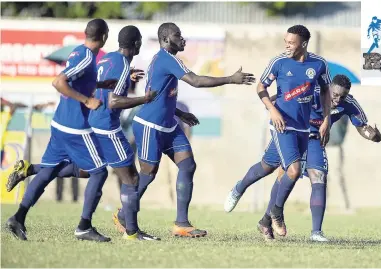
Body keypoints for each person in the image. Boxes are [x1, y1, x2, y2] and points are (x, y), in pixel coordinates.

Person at [112, 22, 255, 238]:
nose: (182, 38)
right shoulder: (166, 59)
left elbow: (160, 94)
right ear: (166, 39)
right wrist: (230, 79)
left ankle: (182, 223)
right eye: (178, 35)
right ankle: (124, 214)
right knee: (147, 174)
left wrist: (179, 113)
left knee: (187, 165)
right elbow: (196, 81)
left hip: (169, 124)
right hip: (150, 126)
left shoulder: (166, 60)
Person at [5, 18, 117, 242]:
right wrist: (87, 101)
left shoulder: (79, 52)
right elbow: (59, 82)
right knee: (99, 171)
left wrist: (102, 85)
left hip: (59, 124)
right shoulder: (86, 57)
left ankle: (18, 217)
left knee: (48, 171)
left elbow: (77, 82)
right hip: (75, 128)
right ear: (104, 36)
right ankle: (84, 226)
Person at [223, 25, 332, 241]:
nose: (287, 45)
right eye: (286, 41)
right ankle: (276, 212)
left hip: (303, 127)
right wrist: (272, 110)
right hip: (282, 124)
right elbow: (261, 87)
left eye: (291, 42)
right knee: (293, 170)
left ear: (303, 43)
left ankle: (241, 187)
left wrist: (327, 119)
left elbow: (327, 91)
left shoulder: (319, 64)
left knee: (267, 165)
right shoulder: (279, 62)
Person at [272, 74, 381, 241]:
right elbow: (285, 97)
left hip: (315, 140)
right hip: (294, 135)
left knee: (319, 179)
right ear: (328, 88)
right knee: (282, 174)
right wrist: (273, 104)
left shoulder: (349, 103)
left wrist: (373, 136)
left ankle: (316, 232)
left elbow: (361, 126)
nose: (337, 100)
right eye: (334, 95)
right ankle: (270, 217)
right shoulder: (313, 90)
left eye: (342, 96)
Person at [88, 25, 159, 240]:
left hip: (93, 121)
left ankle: (33, 170)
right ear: (136, 44)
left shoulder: (108, 58)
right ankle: (132, 231)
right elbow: (114, 100)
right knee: (132, 178)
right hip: (107, 126)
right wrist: (144, 98)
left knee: (84, 170)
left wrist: (127, 76)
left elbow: (103, 83)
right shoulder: (122, 64)